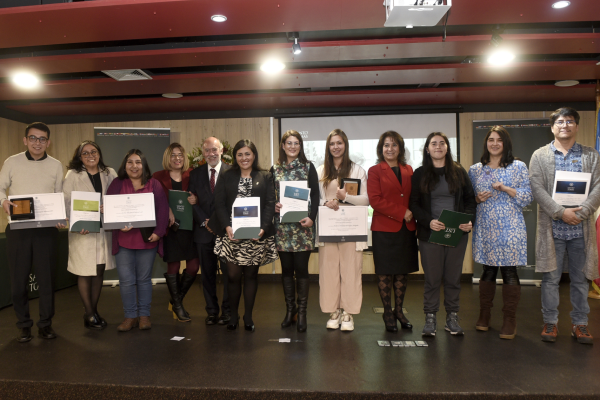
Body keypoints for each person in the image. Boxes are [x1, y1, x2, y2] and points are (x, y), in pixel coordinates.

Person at [529, 107, 600, 344]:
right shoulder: (540, 155)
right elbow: (537, 188)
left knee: (581, 280)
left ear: (576, 126)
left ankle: (580, 324)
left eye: (570, 121)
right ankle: (550, 322)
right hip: (553, 228)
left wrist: (584, 212)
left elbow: (599, 186)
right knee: (551, 280)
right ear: (552, 127)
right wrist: (560, 212)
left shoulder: (591, 155)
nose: (565, 125)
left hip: (581, 228)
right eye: (560, 122)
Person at [0, 122, 65, 342]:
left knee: (47, 280)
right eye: (33, 138)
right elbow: (0, 187)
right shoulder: (11, 161)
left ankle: (45, 325)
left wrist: (59, 215)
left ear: (49, 142)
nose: (38, 143)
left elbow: (59, 196)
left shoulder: (56, 165)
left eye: (42, 139)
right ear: (25, 140)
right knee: (18, 281)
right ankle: (24, 325)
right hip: (18, 229)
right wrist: (3, 200)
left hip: (46, 230)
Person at [468, 126, 532, 339]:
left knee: (509, 271)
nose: (494, 143)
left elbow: (527, 197)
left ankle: (509, 320)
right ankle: (484, 316)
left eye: (499, 140)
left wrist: (505, 188)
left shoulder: (518, 166)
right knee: (487, 270)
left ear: (506, 143)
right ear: (486, 143)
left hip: (511, 226)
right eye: (491, 139)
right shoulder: (475, 169)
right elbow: (467, 200)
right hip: (486, 225)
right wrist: (477, 199)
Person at [409, 132, 476, 337]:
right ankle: (430, 318)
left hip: (456, 232)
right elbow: (414, 203)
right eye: (433, 143)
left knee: (453, 278)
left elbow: (469, 200)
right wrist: (428, 221)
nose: (438, 146)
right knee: (432, 278)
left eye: (442, 143)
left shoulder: (458, 171)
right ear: (427, 149)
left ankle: (452, 318)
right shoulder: (420, 173)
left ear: (447, 147)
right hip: (430, 234)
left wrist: (469, 220)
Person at [208, 139, 277, 332]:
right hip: (232, 235)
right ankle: (233, 315)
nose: (244, 158)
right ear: (235, 157)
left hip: (256, 235)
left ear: (254, 155)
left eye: (247, 154)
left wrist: (263, 228)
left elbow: (270, 204)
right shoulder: (226, 176)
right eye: (240, 154)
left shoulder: (265, 176)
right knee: (232, 275)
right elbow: (219, 204)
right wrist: (227, 227)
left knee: (251, 275)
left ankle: (247, 316)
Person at [106, 149, 168, 332]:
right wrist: (118, 224)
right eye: (130, 162)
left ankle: (144, 316)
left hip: (147, 241)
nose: (134, 166)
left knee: (143, 280)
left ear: (144, 165)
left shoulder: (154, 184)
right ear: (125, 165)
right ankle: (130, 316)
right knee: (126, 281)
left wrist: (158, 233)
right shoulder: (116, 184)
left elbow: (163, 210)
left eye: (138, 162)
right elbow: (109, 210)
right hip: (124, 241)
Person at [317, 129, 369, 332]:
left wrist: (345, 197)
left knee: (351, 270)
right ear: (328, 147)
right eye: (332, 144)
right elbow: (315, 200)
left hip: (351, 229)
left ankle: (348, 312)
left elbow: (366, 200)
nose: (336, 147)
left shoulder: (357, 170)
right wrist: (326, 202)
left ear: (345, 145)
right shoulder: (321, 170)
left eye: (339, 143)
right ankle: (333, 312)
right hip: (329, 229)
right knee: (328, 271)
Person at [63, 140, 118, 330]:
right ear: (79, 157)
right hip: (82, 231)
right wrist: (75, 223)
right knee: (85, 272)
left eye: (93, 151)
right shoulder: (73, 174)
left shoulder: (109, 173)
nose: (90, 155)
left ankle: (93, 312)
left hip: (103, 230)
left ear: (99, 153)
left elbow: (117, 197)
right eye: (84, 153)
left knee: (99, 270)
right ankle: (89, 313)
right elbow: (66, 201)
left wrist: (108, 207)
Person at [367, 131, 418, 333]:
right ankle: (387, 312)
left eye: (394, 145)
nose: (390, 149)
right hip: (384, 229)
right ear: (381, 149)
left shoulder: (409, 169)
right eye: (386, 145)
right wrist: (401, 212)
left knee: (401, 272)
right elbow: (375, 200)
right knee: (385, 273)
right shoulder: (375, 170)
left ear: (400, 148)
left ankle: (399, 311)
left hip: (406, 228)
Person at [271, 130, 320, 332]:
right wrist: (273, 204)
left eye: (296, 143)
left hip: (303, 228)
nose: (292, 146)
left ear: (300, 146)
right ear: (283, 146)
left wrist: (312, 217)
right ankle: (290, 311)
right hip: (282, 229)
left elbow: (316, 195)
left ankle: (302, 313)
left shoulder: (309, 167)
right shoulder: (274, 169)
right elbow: (269, 196)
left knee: (301, 270)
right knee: (286, 271)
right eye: (289, 143)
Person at [152, 143, 199, 323]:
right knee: (173, 266)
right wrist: (167, 210)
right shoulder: (157, 177)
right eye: (173, 155)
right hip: (170, 229)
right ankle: (178, 306)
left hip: (190, 228)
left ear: (184, 157)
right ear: (167, 158)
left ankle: (175, 300)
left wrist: (196, 199)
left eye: (180, 155)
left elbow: (202, 195)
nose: (177, 158)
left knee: (194, 266)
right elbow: (153, 200)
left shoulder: (192, 174)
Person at [189, 137, 232, 325]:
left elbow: (233, 203)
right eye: (207, 150)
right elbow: (192, 201)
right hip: (203, 232)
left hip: (225, 231)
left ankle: (227, 312)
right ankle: (212, 312)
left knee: (229, 274)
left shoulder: (232, 172)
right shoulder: (195, 174)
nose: (211, 154)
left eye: (214, 149)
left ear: (221, 150)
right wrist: (205, 221)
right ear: (202, 153)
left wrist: (218, 223)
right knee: (206, 275)